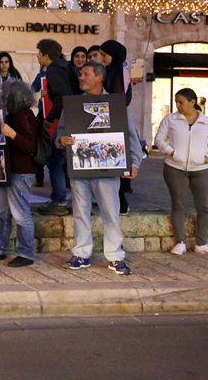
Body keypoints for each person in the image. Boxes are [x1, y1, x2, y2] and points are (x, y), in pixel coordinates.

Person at [58, 62, 142, 275]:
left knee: (110, 212)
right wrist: (62, 140)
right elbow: (59, 134)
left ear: (99, 77)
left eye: (85, 74)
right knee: (80, 212)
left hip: (107, 169)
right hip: (81, 167)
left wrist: (135, 162)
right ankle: (81, 254)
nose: (81, 78)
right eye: (80, 74)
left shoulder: (115, 104)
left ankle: (115, 256)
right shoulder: (73, 106)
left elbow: (131, 135)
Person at [154, 88, 208, 256]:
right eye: (176, 102)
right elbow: (159, 139)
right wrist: (171, 152)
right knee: (179, 205)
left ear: (192, 103)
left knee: (205, 207)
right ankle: (180, 242)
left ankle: (202, 244)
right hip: (175, 169)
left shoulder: (207, 122)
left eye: (181, 102)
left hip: (202, 170)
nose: (177, 105)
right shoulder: (170, 119)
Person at [0, 80, 38, 267]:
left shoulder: (25, 116)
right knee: (2, 211)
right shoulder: (10, 116)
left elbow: (29, 145)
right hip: (5, 170)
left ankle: (26, 253)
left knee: (20, 213)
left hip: (21, 171)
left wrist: (11, 134)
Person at [36, 39, 79, 216]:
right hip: (75, 118)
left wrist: (50, 117)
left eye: (39, 53)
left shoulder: (54, 70)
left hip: (64, 122)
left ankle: (59, 201)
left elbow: (62, 98)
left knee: (55, 160)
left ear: (46, 55)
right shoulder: (67, 67)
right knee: (68, 162)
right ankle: (72, 200)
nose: (38, 57)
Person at [100, 39, 133, 214]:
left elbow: (118, 98)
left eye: (105, 55)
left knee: (115, 163)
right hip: (108, 122)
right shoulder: (110, 71)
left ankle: (121, 203)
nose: (102, 58)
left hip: (115, 122)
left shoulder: (120, 72)